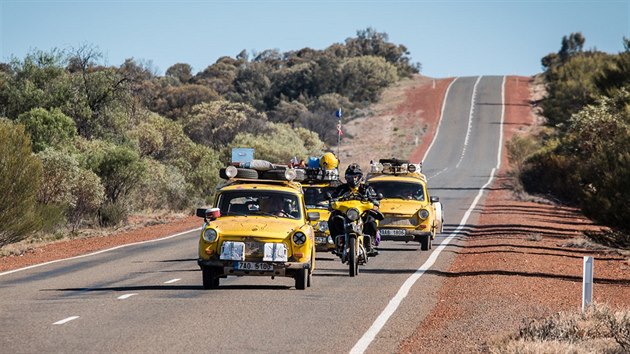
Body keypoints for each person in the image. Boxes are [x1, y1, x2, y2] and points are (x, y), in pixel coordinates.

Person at [328, 163, 382, 256]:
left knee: (372, 220)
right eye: (350, 177)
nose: (353, 179)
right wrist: (332, 202)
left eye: (356, 177)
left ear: (360, 177)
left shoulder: (366, 188)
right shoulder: (341, 188)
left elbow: (375, 200)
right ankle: (338, 243)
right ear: (346, 178)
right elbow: (333, 199)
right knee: (333, 219)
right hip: (346, 214)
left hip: (362, 214)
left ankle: (370, 244)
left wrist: (375, 202)